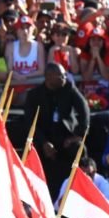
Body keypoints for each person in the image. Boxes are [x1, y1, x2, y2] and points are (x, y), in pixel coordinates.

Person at [22, 62, 90, 199]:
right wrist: (43, 142)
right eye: (61, 75)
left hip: (66, 136)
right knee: (33, 153)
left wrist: (77, 136)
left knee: (79, 149)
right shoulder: (34, 95)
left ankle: (82, 187)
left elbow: (84, 110)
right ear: (49, 77)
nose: (65, 77)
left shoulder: (69, 88)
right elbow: (30, 123)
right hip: (44, 136)